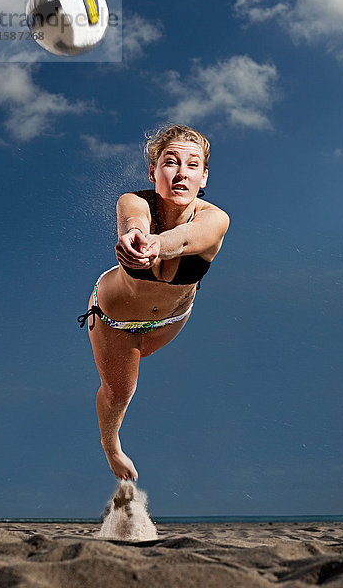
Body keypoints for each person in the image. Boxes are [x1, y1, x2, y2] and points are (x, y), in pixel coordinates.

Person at [78, 124, 229, 482]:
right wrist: (134, 236)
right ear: (153, 171)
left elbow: (188, 238)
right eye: (170, 162)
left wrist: (158, 246)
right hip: (116, 318)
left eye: (192, 165)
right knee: (121, 390)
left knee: (135, 370)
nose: (181, 173)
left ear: (203, 176)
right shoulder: (133, 201)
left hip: (171, 322)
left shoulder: (215, 219)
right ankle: (111, 446)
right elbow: (134, 220)